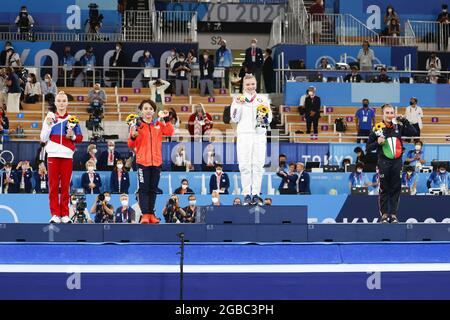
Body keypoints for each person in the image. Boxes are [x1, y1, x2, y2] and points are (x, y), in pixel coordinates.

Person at [366, 104, 417, 223]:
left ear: (394, 114)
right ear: (382, 114)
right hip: (383, 162)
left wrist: (404, 120)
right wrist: (377, 142)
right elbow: (368, 148)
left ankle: (393, 214)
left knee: (395, 189)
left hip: (397, 163)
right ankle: (384, 214)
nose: (389, 115)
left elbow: (414, 132)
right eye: (387, 113)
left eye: (391, 112)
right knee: (384, 189)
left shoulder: (398, 126)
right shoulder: (377, 128)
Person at [40, 91, 83, 223]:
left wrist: (73, 136)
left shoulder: (72, 119)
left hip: (67, 156)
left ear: (67, 103)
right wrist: (48, 124)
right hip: (52, 155)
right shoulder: (50, 118)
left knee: (65, 186)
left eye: (64, 101)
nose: (61, 103)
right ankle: (54, 214)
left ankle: (65, 213)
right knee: (53, 186)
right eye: (59, 101)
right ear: (55, 103)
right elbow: (43, 138)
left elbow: (80, 138)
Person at [128, 99, 174, 224]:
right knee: (143, 189)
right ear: (141, 111)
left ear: (154, 111)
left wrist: (166, 119)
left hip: (157, 162)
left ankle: (151, 214)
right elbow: (131, 144)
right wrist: (133, 136)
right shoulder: (137, 125)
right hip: (143, 162)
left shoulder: (157, 125)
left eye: (151, 109)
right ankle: (144, 214)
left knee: (153, 189)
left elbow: (169, 132)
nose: (148, 111)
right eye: (146, 108)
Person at [230, 74, 272, 205]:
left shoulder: (262, 99)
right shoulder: (238, 99)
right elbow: (234, 118)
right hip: (244, 135)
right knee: (244, 165)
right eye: (248, 84)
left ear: (256, 84)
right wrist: (238, 105)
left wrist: (263, 123)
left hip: (259, 135)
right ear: (243, 85)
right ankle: (246, 193)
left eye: (252, 84)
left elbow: (269, 117)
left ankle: (256, 193)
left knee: (258, 165)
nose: (250, 86)